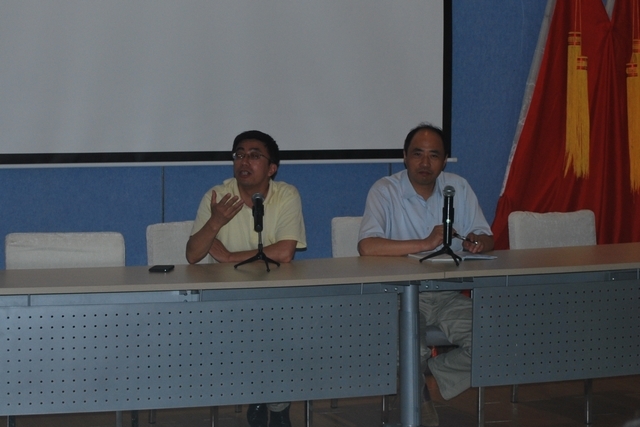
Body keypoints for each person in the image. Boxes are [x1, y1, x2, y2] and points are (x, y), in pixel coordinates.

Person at [357, 123, 494, 427]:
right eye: (417, 154)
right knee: (406, 348)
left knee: (495, 338)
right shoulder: (385, 190)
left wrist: (478, 242)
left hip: (447, 294)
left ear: (444, 161)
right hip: (401, 296)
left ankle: (420, 377)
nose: (425, 162)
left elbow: (486, 236)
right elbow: (367, 246)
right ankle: (415, 391)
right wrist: (425, 243)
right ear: (405, 157)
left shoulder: (458, 187)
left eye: (434, 155)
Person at [187, 130, 307, 427]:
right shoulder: (217, 196)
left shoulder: (286, 195)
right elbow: (193, 254)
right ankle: (265, 396)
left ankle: (274, 404)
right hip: (226, 296)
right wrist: (215, 221)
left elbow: (285, 252)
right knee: (256, 329)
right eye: (239, 155)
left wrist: (229, 257)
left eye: (254, 156)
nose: (244, 161)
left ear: (271, 168)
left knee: (278, 326)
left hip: (276, 294)